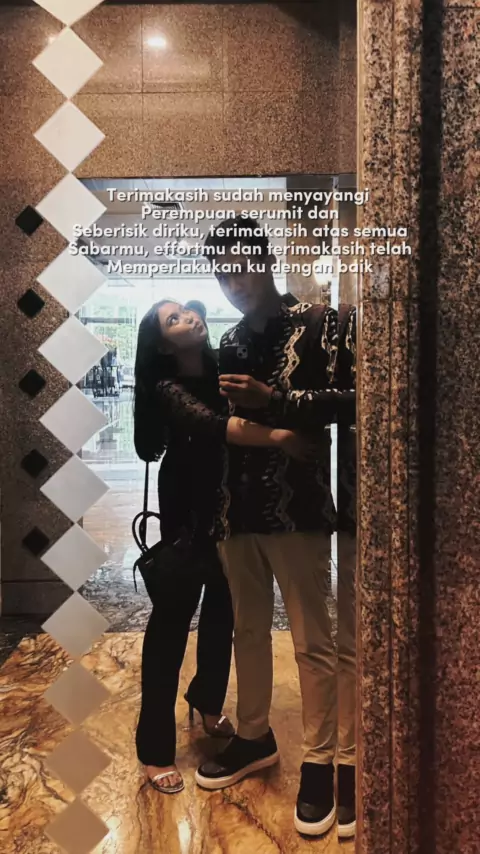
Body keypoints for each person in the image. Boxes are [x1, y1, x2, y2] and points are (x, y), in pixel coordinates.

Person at [194, 216, 356, 839]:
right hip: (235, 511)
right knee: (249, 631)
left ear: (264, 260)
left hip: (299, 507)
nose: (233, 284)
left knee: (313, 640)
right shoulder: (230, 340)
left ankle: (320, 761)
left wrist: (275, 401)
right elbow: (221, 425)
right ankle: (254, 735)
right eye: (222, 275)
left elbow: (353, 399)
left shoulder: (319, 324)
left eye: (241, 269)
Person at [133, 298, 313, 796]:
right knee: (171, 622)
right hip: (188, 510)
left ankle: (207, 701)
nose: (188, 318)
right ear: (162, 345)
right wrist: (280, 437)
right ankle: (154, 748)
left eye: (186, 312)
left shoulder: (223, 366)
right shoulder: (168, 387)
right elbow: (215, 427)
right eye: (173, 320)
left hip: (230, 503)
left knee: (224, 610)